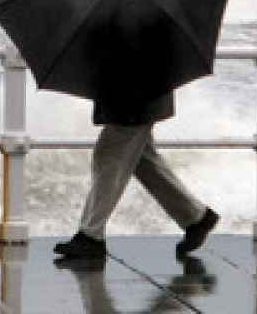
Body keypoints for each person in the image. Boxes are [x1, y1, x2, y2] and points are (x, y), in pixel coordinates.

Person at [52, 87, 219, 260]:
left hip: (136, 93)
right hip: (140, 92)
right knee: (142, 160)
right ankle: (196, 217)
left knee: (109, 154)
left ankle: (90, 236)